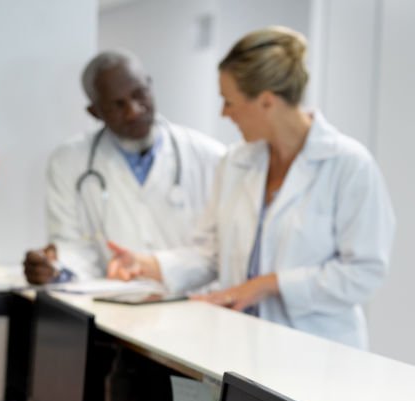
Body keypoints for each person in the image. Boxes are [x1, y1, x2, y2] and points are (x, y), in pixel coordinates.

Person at [107, 27, 395, 350]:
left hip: (317, 351)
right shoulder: (236, 163)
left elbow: (363, 273)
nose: (223, 113)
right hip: (241, 346)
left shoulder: (348, 165)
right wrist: (150, 264)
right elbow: (211, 253)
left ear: (266, 102)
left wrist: (271, 285)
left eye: (229, 102)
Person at [24, 49, 225, 284]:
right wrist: (54, 268)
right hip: (113, 304)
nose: (134, 111)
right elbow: (72, 246)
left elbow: (217, 250)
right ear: (95, 112)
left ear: (151, 86)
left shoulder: (210, 156)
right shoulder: (68, 161)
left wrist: (156, 266)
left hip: (194, 304)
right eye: (117, 105)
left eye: (140, 95)